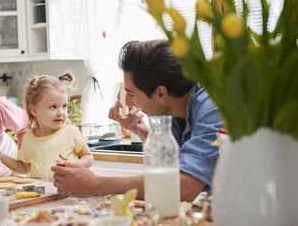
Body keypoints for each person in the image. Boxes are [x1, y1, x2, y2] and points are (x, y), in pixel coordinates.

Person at [52, 40, 222, 201]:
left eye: (131, 94)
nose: (128, 103)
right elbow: (179, 164)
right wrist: (144, 133)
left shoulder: (213, 106)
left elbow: (185, 186)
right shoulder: (175, 110)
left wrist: (95, 185)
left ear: (161, 94)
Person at [0, 73, 94, 180]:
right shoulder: (30, 138)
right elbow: (23, 167)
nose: (61, 112)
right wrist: (2, 157)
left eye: (64, 106)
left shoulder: (71, 132)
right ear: (34, 110)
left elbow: (89, 157)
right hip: (43, 193)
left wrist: (77, 164)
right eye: (53, 107)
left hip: (70, 191)